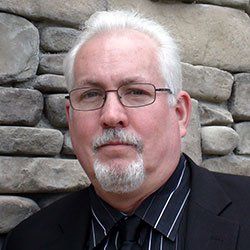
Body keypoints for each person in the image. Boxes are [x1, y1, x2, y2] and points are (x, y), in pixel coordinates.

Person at [3, 10, 250, 250]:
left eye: (136, 92)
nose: (111, 115)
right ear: (70, 117)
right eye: (91, 94)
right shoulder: (28, 241)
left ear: (180, 114)